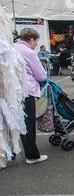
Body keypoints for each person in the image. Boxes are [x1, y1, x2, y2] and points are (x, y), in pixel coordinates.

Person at [14, 28, 48, 164]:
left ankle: (13, 152)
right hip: (26, 90)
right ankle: (32, 155)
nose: (36, 44)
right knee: (28, 124)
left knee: (18, 122)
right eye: (36, 41)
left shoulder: (12, 47)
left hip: (13, 91)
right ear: (31, 39)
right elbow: (41, 75)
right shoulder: (29, 52)